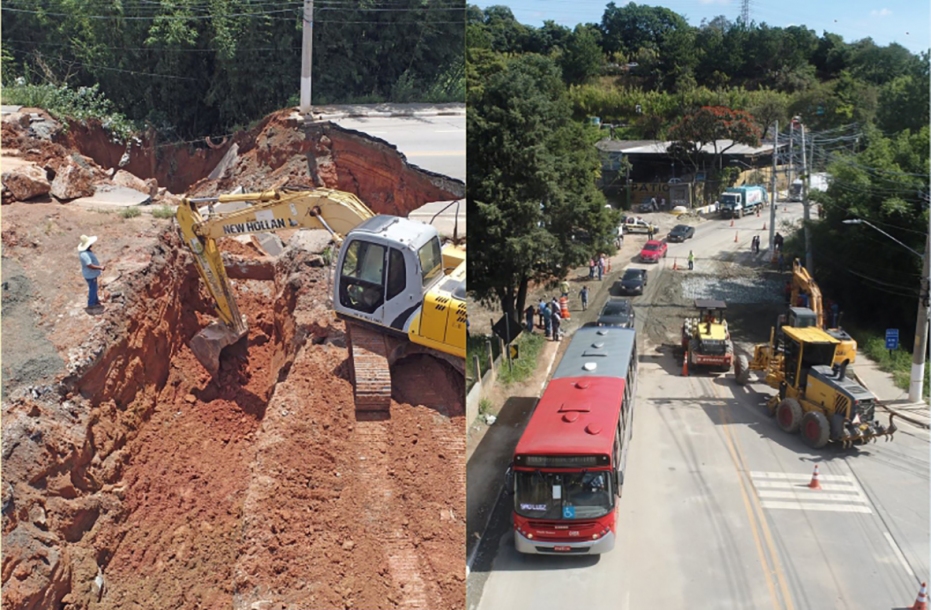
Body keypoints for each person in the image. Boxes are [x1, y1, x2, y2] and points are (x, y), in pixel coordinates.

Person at [78, 234, 105, 310]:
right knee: (93, 288)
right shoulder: (84, 254)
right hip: (90, 275)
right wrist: (100, 267)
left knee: (94, 287)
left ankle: (95, 301)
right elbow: (89, 265)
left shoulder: (86, 252)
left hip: (91, 274)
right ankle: (91, 304)